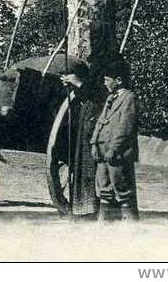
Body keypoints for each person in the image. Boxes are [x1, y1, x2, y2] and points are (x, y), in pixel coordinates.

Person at [90, 56, 140, 221]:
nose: (105, 83)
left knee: (122, 188)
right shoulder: (110, 98)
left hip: (117, 153)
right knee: (104, 187)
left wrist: (113, 149)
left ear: (118, 80)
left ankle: (130, 224)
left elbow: (125, 127)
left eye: (107, 80)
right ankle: (104, 222)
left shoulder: (129, 98)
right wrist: (94, 144)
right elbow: (101, 121)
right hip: (103, 150)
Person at [59, 56, 105, 220]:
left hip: (96, 125)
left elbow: (99, 95)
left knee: (90, 168)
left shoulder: (107, 74)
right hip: (86, 122)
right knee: (82, 166)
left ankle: (91, 207)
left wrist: (78, 83)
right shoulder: (97, 73)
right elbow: (87, 93)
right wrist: (75, 86)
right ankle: (84, 207)